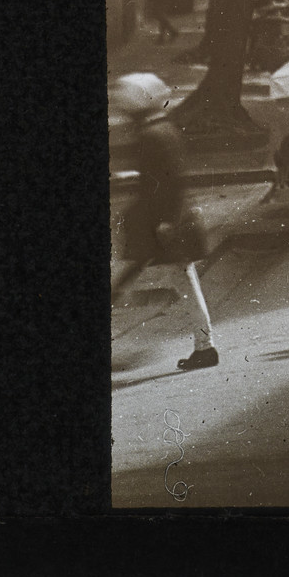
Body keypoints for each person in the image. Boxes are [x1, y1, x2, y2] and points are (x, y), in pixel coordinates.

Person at [108, 73, 217, 372]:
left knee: (184, 282)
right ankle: (204, 347)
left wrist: (168, 221)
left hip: (167, 225)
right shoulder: (160, 128)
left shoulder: (151, 134)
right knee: (184, 281)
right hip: (165, 222)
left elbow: (172, 180)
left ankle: (205, 347)